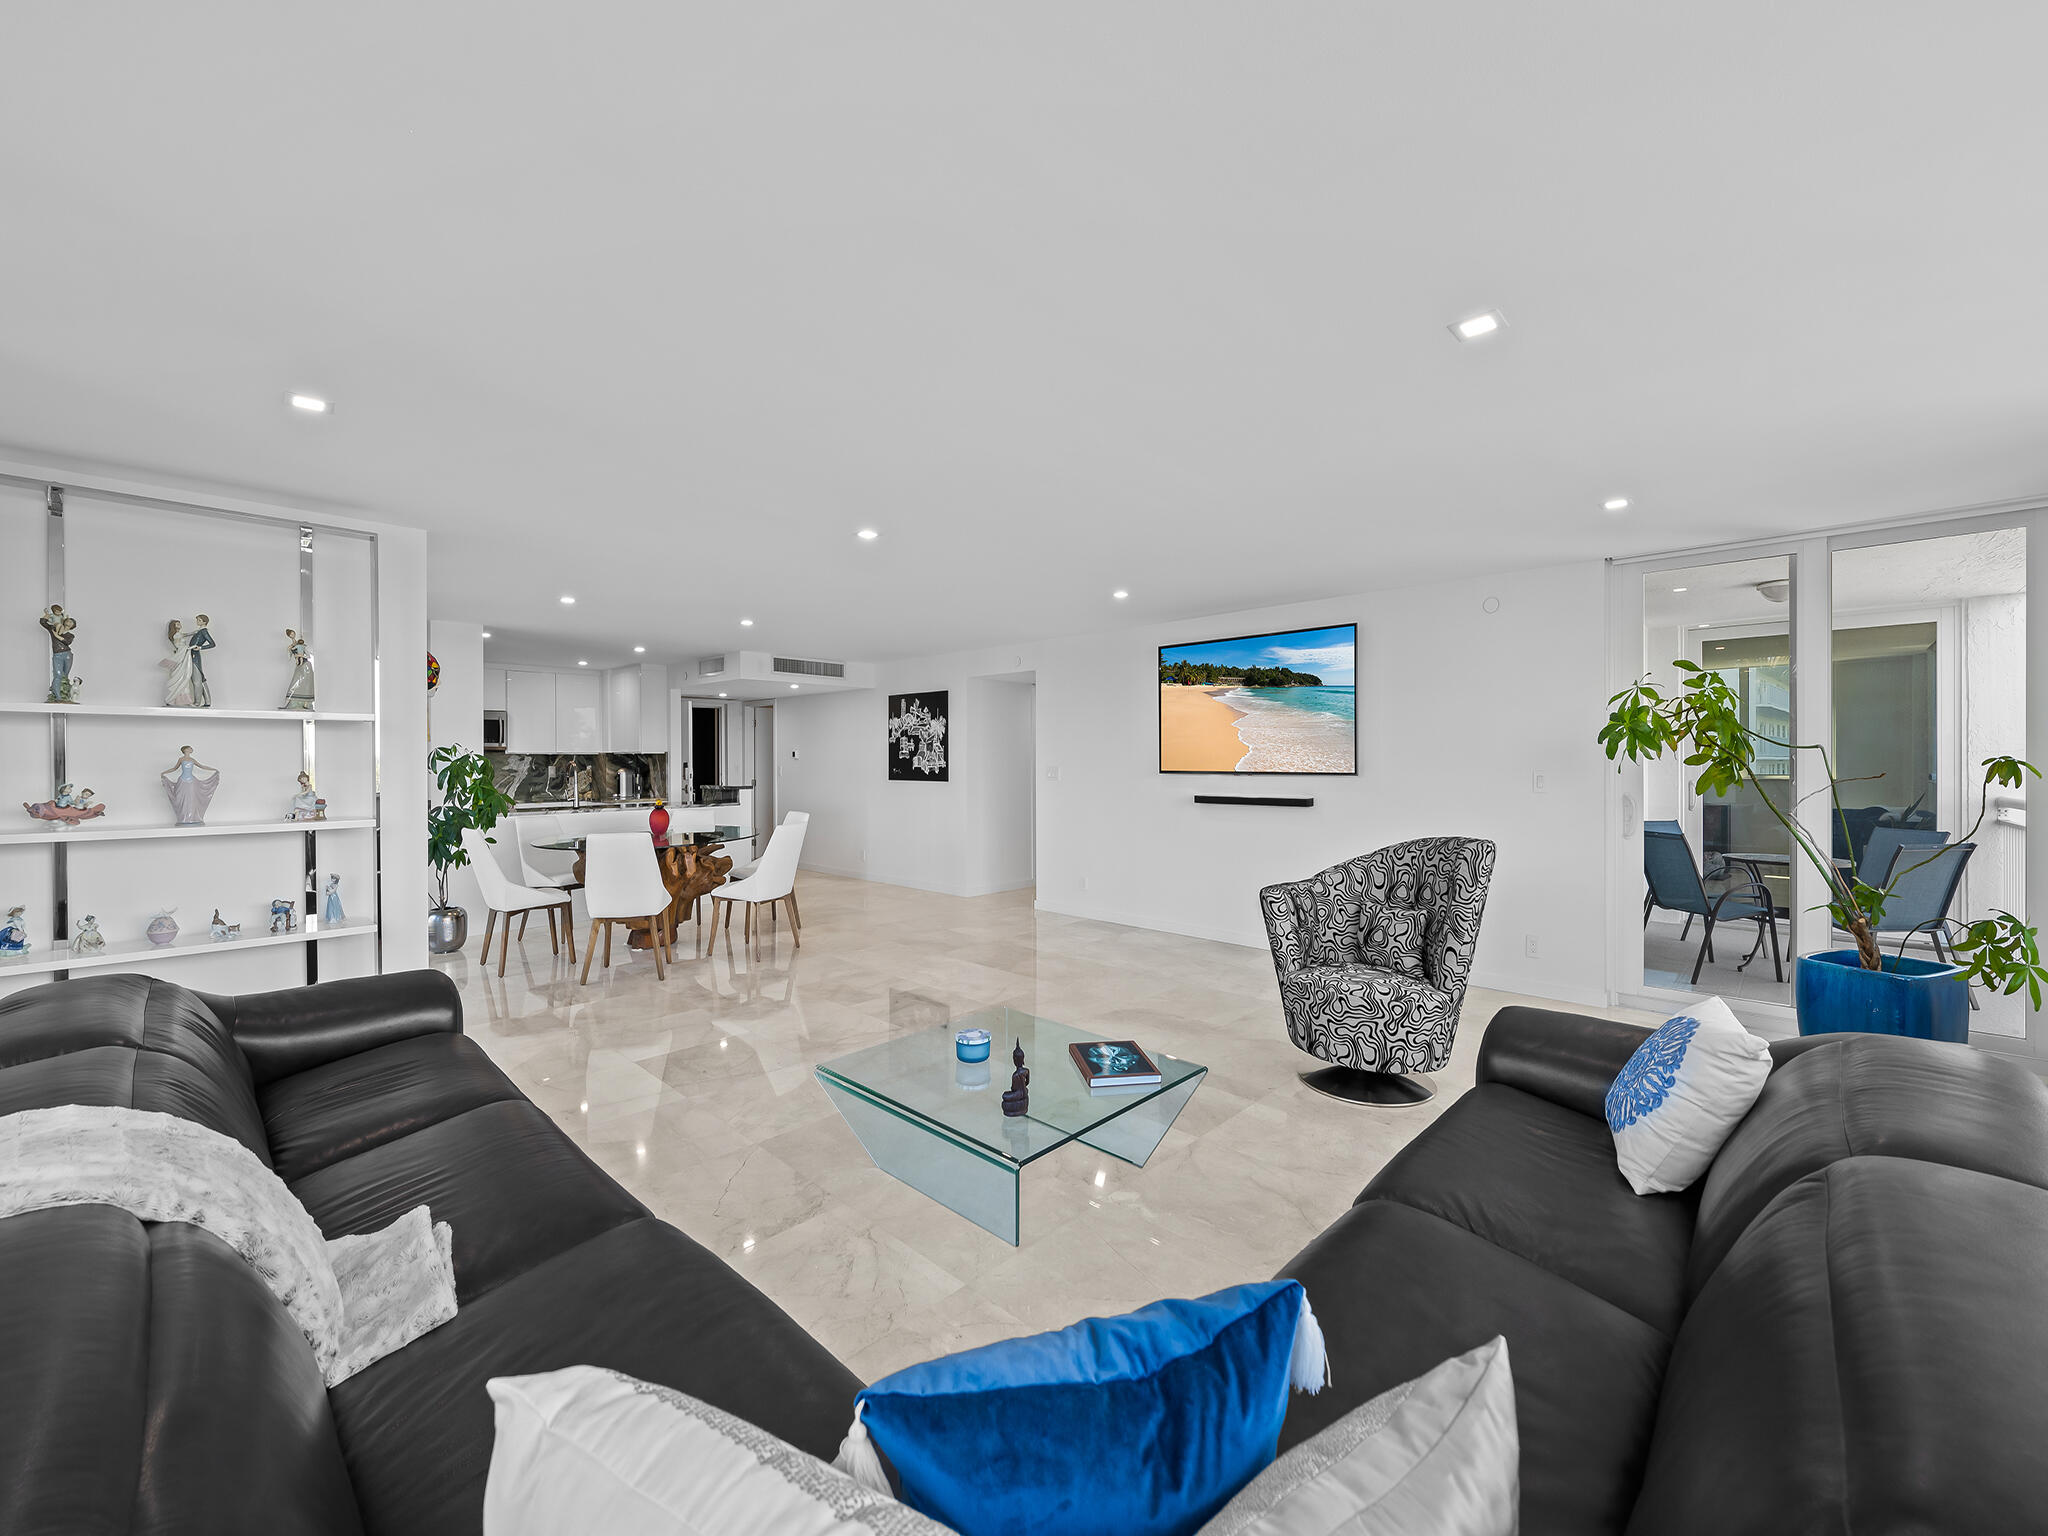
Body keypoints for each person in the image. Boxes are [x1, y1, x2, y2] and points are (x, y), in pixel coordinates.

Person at [161, 747, 220, 826]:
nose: (191, 749)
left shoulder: (192, 760)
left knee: (191, 799)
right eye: (190, 748)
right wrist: (164, 773)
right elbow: (174, 768)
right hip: (182, 781)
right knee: (182, 799)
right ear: (186, 750)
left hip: (191, 781)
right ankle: (184, 818)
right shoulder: (181, 759)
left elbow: (202, 766)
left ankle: (192, 818)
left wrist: (214, 769)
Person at [40, 606, 78, 703]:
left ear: (72, 626)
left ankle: (65, 693)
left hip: (68, 654)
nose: (69, 622)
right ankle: (57, 696)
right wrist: (47, 615)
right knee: (58, 675)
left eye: (71, 622)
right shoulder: (54, 628)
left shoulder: (70, 635)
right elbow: (43, 622)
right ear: (64, 621)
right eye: (68, 620)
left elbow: (67, 642)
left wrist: (57, 635)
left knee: (65, 675)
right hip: (57, 655)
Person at [282, 628, 315, 711]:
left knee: (307, 685)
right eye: (291, 635)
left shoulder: (301, 645)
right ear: (289, 636)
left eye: (293, 634)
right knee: (294, 684)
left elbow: (308, 656)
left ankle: (306, 704)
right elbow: (289, 656)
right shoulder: (292, 646)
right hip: (299, 666)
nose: (292, 635)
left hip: (306, 666)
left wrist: (301, 656)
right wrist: (291, 651)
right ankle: (287, 703)